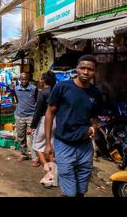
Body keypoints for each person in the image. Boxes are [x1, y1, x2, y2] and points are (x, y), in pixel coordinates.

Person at [45, 55, 103, 197]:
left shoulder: (96, 93)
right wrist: (48, 143)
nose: (85, 72)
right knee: (68, 191)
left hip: (84, 145)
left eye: (89, 69)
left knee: (82, 189)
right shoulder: (62, 87)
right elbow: (49, 113)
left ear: (95, 71)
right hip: (64, 143)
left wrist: (93, 128)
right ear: (77, 68)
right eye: (82, 68)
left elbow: (95, 118)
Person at [30, 71, 57, 188]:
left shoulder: (43, 92)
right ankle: (53, 175)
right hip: (56, 121)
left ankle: (48, 173)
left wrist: (32, 126)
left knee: (37, 148)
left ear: (43, 80)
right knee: (49, 146)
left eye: (41, 79)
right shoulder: (57, 91)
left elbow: (38, 111)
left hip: (44, 121)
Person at [14, 73, 39, 165]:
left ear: (29, 79)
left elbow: (37, 101)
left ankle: (35, 158)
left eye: (26, 79)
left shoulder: (34, 89)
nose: (24, 81)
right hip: (19, 115)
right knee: (20, 136)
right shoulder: (16, 89)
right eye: (22, 79)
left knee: (32, 137)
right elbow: (18, 100)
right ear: (20, 79)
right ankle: (24, 154)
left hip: (31, 116)